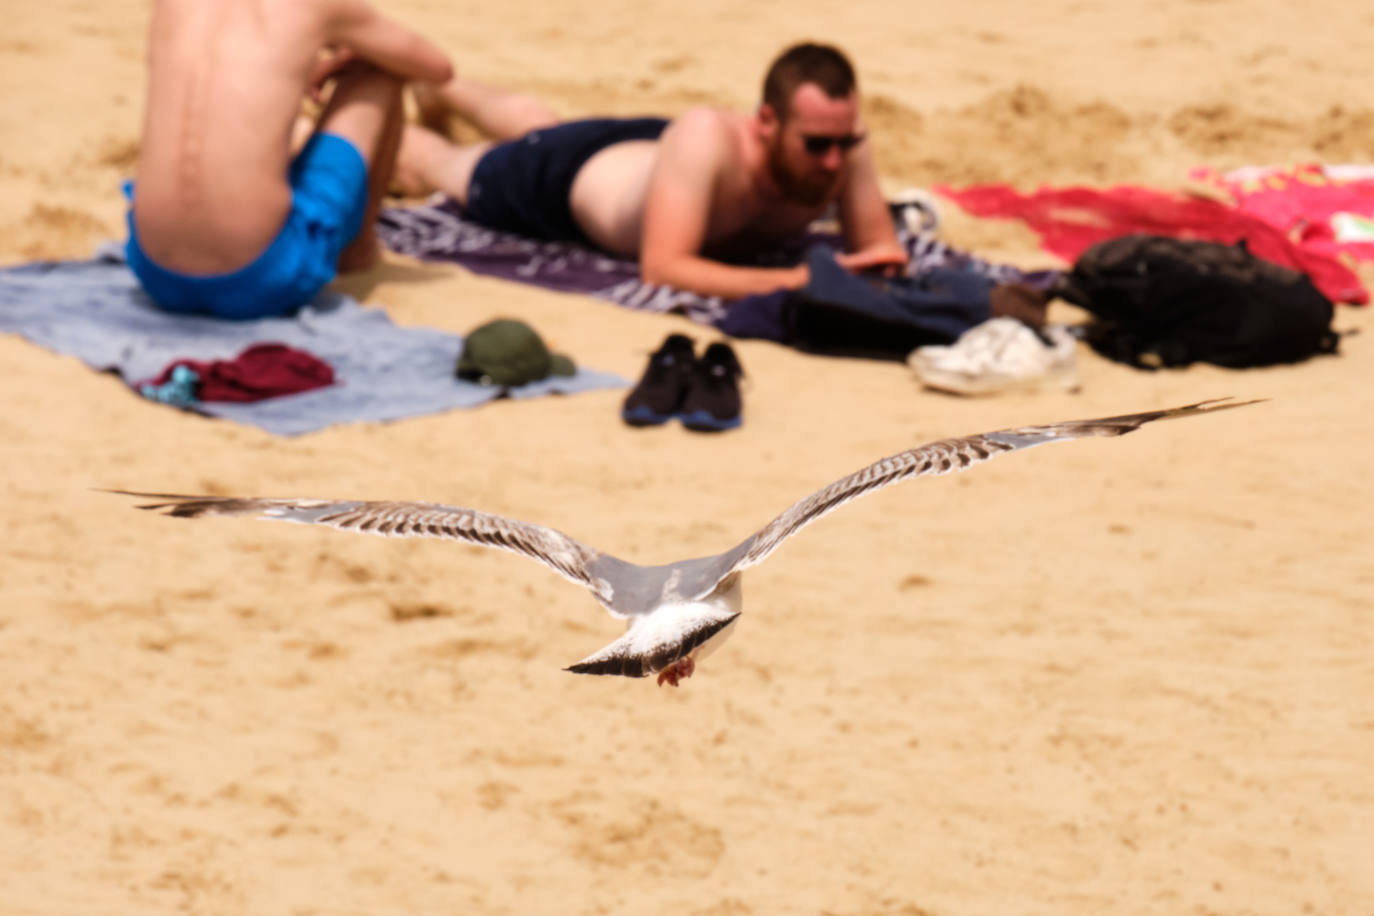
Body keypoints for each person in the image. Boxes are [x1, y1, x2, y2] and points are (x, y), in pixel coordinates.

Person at [396, 42, 908, 299]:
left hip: (644, 157)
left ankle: (442, 87)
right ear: (766, 122)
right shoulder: (708, 139)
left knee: (543, 126)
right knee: (446, 166)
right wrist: (794, 280)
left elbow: (878, 252)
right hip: (566, 181)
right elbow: (663, 268)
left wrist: (879, 266)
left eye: (844, 142)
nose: (833, 161)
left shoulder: (843, 143)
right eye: (816, 145)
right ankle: (378, 103)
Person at [124, 0, 453, 320]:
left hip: (155, 271)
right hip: (261, 278)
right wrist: (350, 52)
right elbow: (438, 68)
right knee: (380, 69)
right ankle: (357, 253)